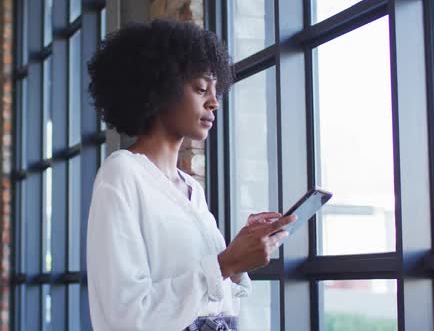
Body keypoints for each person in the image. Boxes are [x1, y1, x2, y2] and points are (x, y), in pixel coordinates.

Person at [86, 19, 297, 331]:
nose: (214, 102)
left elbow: (212, 297)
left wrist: (238, 259)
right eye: (200, 89)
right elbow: (123, 315)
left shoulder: (191, 189)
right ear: (159, 88)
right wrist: (227, 263)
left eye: (216, 90)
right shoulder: (121, 175)